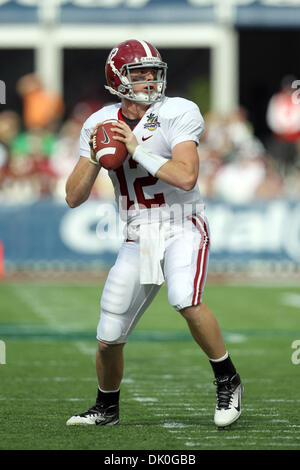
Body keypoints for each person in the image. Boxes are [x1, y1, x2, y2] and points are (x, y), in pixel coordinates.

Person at [65, 39, 243, 428]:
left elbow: (186, 175)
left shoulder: (178, 111)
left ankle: (228, 379)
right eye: (139, 73)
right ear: (118, 77)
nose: (149, 80)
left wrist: (137, 149)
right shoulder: (98, 121)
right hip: (137, 234)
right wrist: (95, 155)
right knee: (109, 332)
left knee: (185, 298)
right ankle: (106, 409)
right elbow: (73, 197)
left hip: (183, 224)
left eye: (153, 72)